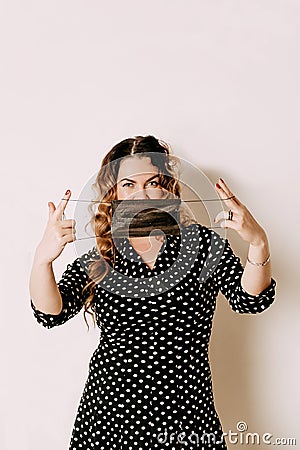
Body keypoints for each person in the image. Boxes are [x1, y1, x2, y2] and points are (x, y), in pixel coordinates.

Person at [29, 135, 276, 449]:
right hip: (109, 420)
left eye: (152, 182)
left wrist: (258, 243)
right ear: (114, 193)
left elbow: (250, 300)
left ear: (167, 187)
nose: (141, 193)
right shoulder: (102, 256)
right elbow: (51, 313)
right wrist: (42, 260)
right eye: (129, 185)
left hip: (186, 419)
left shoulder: (201, 246)